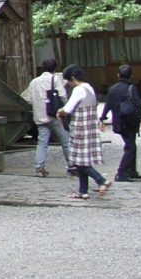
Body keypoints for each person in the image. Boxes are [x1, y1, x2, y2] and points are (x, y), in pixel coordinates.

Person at [57, 65, 110, 199]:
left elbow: (68, 109)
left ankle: (101, 180)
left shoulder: (78, 89)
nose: (69, 84)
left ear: (73, 78)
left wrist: (59, 111)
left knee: (77, 161)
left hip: (79, 128)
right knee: (83, 161)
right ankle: (83, 191)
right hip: (90, 128)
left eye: (68, 81)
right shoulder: (89, 88)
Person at [25, 58, 72, 177]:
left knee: (42, 143)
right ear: (54, 69)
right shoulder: (55, 79)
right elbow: (63, 96)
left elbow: (28, 99)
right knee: (65, 141)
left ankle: (39, 166)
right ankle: (71, 166)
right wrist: (66, 108)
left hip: (39, 116)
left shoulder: (34, 82)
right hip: (54, 115)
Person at [100, 64, 141, 182]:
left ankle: (132, 171)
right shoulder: (132, 88)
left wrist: (102, 118)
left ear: (118, 75)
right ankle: (122, 173)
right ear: (130, 76)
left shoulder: (112, 89)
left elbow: (108, 104)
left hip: (118, 122)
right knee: (130, 146)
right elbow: (137, 104)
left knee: (131, 145)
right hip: (130, 121)